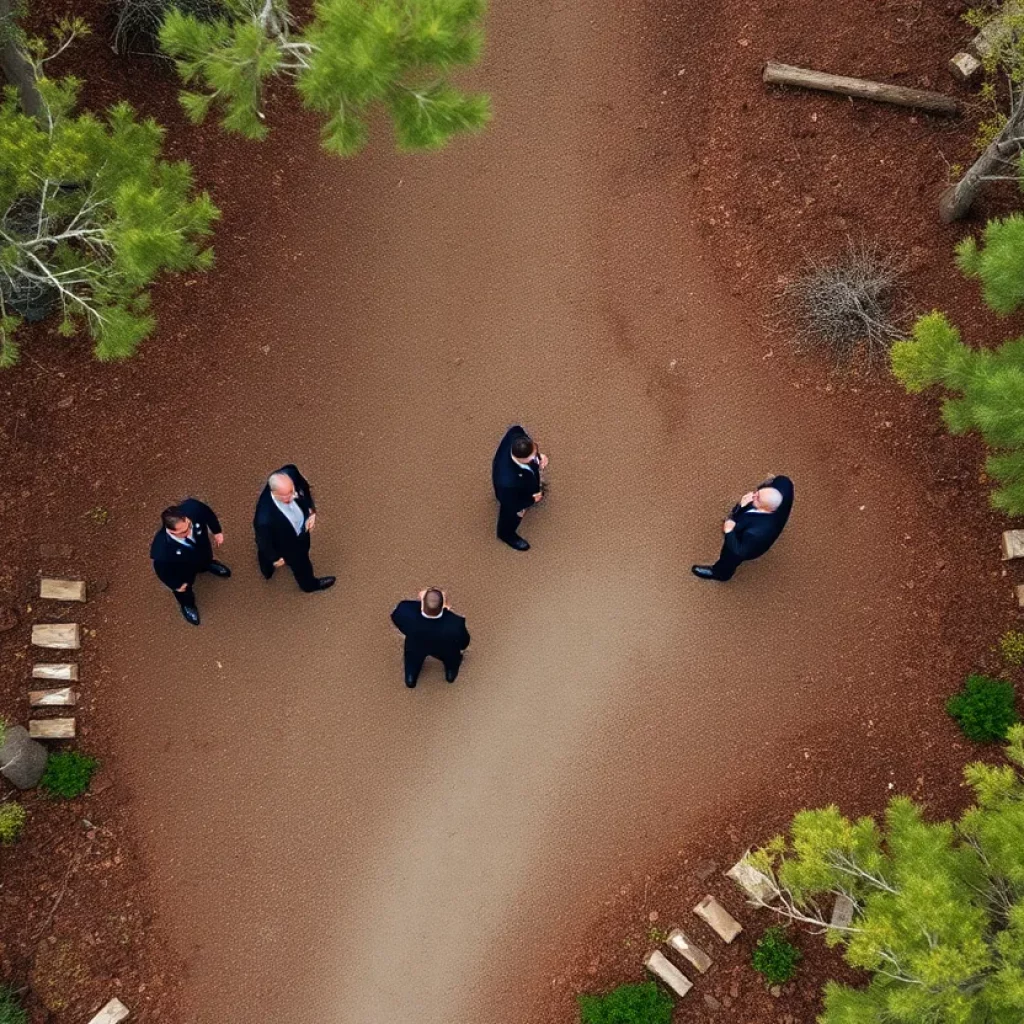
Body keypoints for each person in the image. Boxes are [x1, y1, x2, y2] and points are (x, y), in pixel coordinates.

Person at [691, 475, 794, 582]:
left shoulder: (757, 533)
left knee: (729, 557)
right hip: (759, 524)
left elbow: (739, 551)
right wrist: (742, 505)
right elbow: (779, 481)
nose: (752, 495)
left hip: (746, 544)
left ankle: (720, 573)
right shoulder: (783, 484)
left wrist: (729, 531)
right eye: (758, 492)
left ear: (767, 509)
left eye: (757, 498)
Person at [253, 464, 335, 592]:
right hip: (286, 543)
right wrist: (275, 558)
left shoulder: (291, 473)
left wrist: (311, 511)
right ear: (274, 493)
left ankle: (304, 584)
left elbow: (304, 487)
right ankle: (270, 569)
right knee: (298, 563)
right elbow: (263, 541)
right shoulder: (264, 519)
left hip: (300, 533)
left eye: (292, 490)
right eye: (286, 495)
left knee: (299, 558)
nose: (293, 495)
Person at [150, 499, 230, 626]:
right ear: (171, 531)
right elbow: (162, 571)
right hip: (183, 571)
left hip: (202, 552)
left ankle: (208, 565)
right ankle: (188, 605)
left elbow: (207, 513)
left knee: (205, 560)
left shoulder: (193, 508)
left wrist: (216, 531)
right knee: (184, 592)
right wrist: (176, 585)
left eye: (189, 525)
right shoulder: (161, 550)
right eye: (183, 532)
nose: (189, 531)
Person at [390, 588, 471, 688]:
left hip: (416, 646)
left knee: (412, 660)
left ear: (422, 604)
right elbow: (464, 642)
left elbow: (395, 617)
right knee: (452, 658)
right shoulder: (455, 623)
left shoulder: (405, 611)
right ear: (444, 605)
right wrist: (446, 609)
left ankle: (410, 679)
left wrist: (421, 602)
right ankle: (450, 674)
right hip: (445, 648)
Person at [491, 424, 548, 551]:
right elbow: (510, 502)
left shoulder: (516, 435)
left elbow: (517, 428)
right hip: (511, 495)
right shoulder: (506, 481)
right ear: (521, 459)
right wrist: (531, 500)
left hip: (520, 483)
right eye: (533, 457)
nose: (536, 457)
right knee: (510, 514)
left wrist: (538, 457)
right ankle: (506, 535)